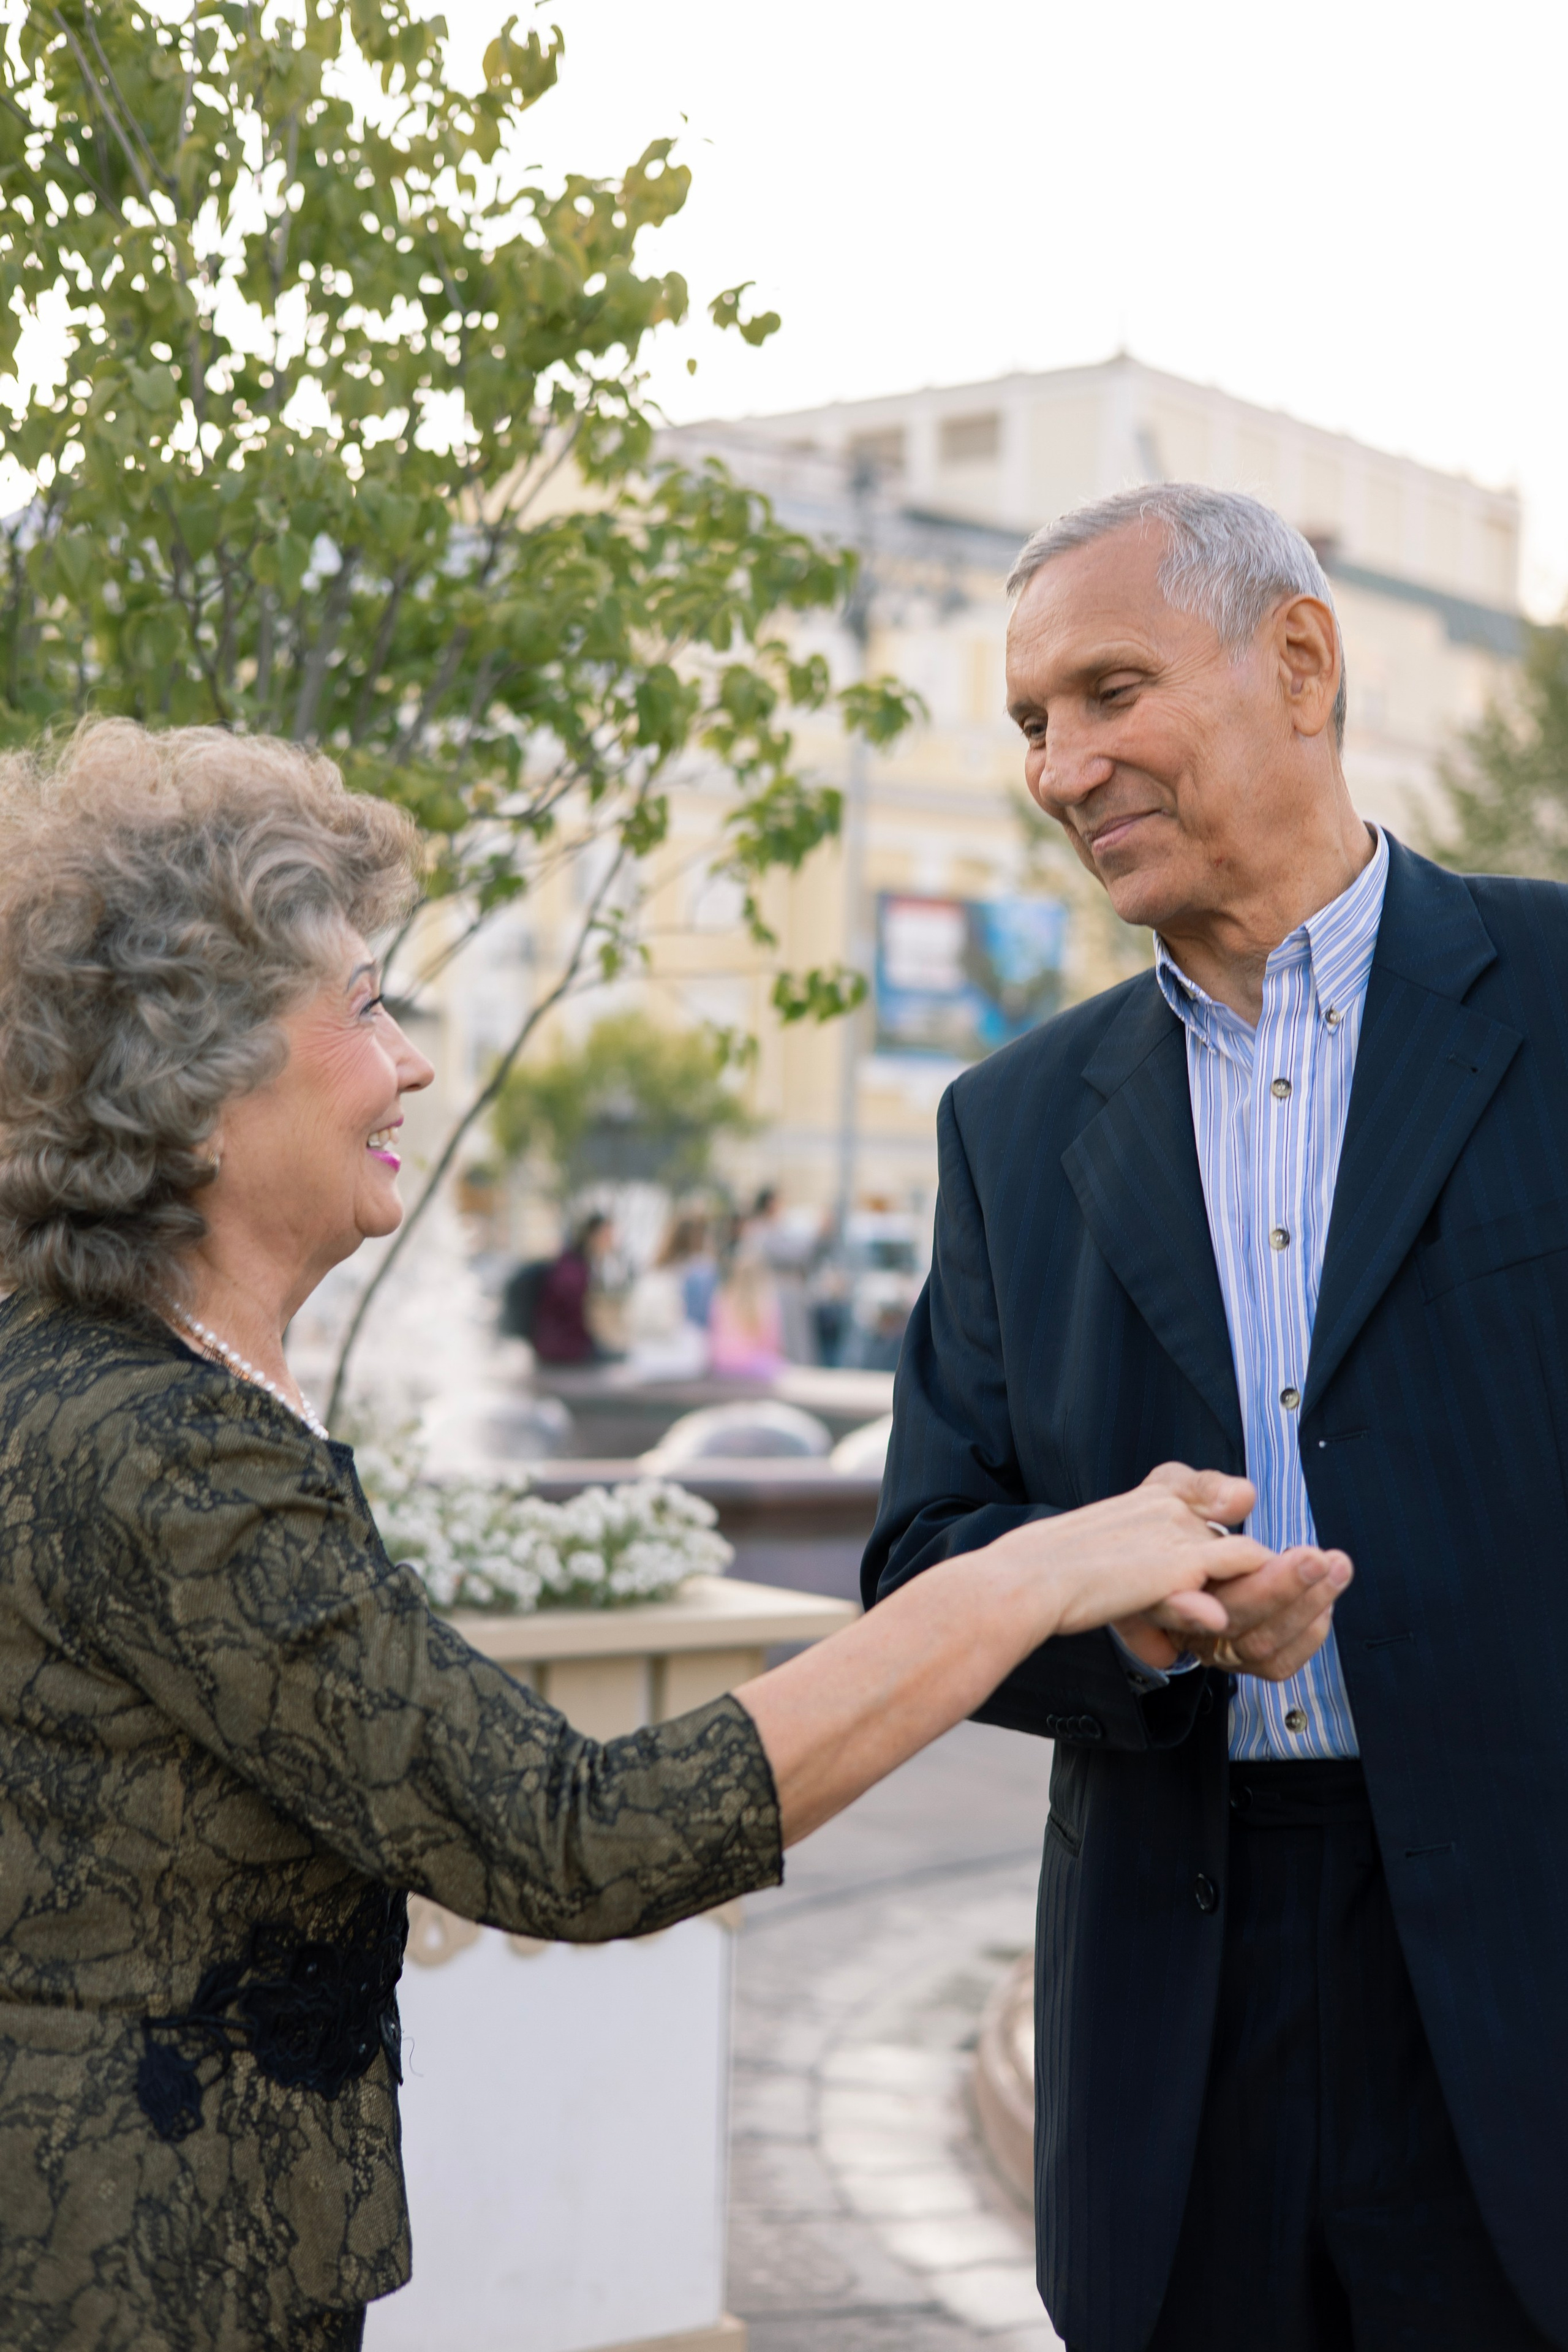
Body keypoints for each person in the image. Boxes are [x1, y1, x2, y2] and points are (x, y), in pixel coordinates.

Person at [0, 720, 1328, 2352]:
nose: (413, 1060)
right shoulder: (156, 1449)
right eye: (364, 1008)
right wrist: (1032, 1570)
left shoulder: (97, 1391)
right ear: (197, 1080)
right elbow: (577, 1836)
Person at [864, 483, 1568, 2352]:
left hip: (1525, 1992)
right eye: (1030, 724)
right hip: (1172, 2025)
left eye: (1107, 691)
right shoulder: (1008, 1130)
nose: (1062, 765)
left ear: (1303, 662)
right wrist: (1133, 1619)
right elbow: (926, 1561)